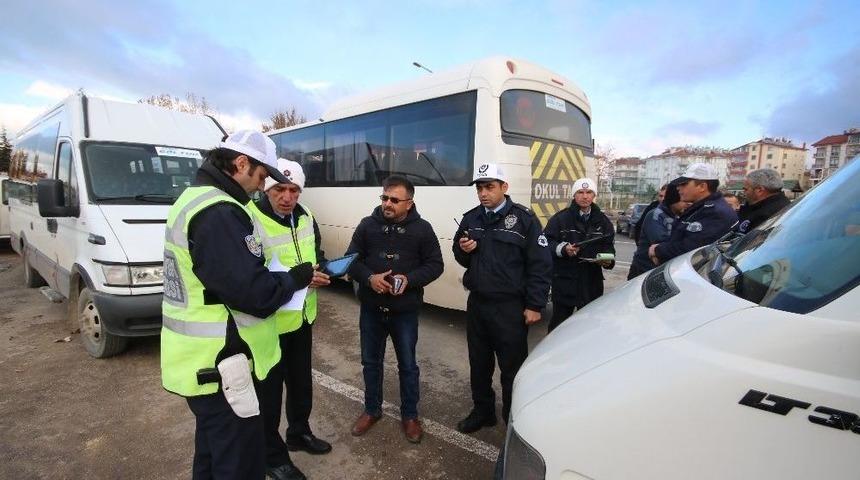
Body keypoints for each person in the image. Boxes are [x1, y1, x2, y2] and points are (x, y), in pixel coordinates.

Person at [161, 130, 313, 480]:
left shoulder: (195, 199)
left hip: (206, 363)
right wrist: (294, 279)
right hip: (224, 365)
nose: (262, 187)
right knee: (240, 464)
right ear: (241, 163)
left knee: (213, 458)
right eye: (262, 177)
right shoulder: (218, 212)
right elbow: (256, 295)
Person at [248, 159, 332, 480]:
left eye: (294, 190)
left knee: (300, 384)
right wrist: (297, 278)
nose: (287, 197)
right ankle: (271, 456)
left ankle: (299, 432)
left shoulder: (306, 216)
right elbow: (251, 276)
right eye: (279, 189)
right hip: (269, 323)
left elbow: (316, 255)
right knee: (268, 394)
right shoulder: (251, 219)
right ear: (267, 190)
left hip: (301, 317)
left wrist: (322, 271)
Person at [452, 163, 552, 432]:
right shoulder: (471, 218)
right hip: (478, 305)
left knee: (512, 369)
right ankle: (483, 412)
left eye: (489, 187)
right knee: (479, 365)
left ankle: (512, 418)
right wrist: (464, 249)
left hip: (510, 307)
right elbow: (460, 256)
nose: (483, 193)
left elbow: (540, 264)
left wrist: (534, 304)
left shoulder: (524, 219)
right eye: (480, 188)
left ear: (504, 187)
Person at [346, 175, 444, 443]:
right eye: (384, 198)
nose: (387, 204)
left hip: (405, 312)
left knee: (408, 365)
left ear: (409, 203)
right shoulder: (367, 226)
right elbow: (351, 260)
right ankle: (371, 410)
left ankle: (410, 416)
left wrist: (409, 280)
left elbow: (436, 265)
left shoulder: (423, 229)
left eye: (394, 200)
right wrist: (370, 278)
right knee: (370, 362)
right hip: (371, 310)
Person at [543, 177, 615, 332]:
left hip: (591, 283)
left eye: (589, 192)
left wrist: (608, 260)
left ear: (594, 195)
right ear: (574, 195)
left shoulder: (603, 222)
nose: (585, 196)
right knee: (558, 327)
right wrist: (563, 249)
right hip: (565, 282)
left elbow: (609, 247)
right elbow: (545, 243)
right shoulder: (560, 219)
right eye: (580, 192)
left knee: (588, 329)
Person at [648, 163, 738, 265]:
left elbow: (692, 250)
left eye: (684, 184)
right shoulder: (701, 208)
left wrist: (657, 250)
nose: (678, 188)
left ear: (702, 186)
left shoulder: (715, 212)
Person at [629, 183, 687, 277]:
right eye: (684, 201)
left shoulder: (678, 216)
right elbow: (660, 243)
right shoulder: (656, 215)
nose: (687, 204)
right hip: (644, 271)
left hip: (660, 271)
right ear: (673, 200)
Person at [737, 168, 791, 233]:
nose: (743, 193)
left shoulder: (769, 216)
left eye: (746, 189)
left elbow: (751, 241)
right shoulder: (761, 207)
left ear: (759, 190)